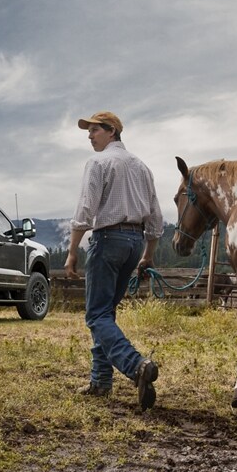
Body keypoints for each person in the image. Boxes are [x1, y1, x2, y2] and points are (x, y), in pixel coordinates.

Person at [63, 111, 164, 411]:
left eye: (94, 130)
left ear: (112, 131)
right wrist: (148, 255)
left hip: (108, 240)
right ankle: (100, 381)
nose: (89, 136)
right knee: (106, 313)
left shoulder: (98, 163)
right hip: (134, 243)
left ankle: (136, 366)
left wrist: (72, 251)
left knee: (96, 316)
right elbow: (155, 217)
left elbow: (85, 209)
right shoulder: (142, 167)